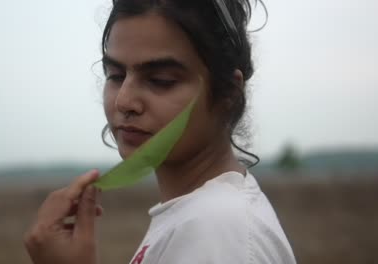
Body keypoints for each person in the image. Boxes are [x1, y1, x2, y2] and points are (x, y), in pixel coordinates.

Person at [24, 0, 297, 263]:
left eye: (160, 80)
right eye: (115, 75)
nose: (124, 101)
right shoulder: (196, 218)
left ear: (228, 93)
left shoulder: (221, 233)